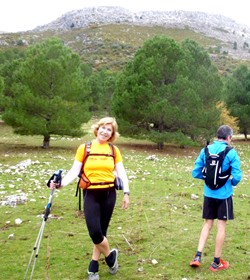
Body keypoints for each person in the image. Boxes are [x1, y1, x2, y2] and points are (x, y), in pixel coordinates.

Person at [50, 117, 130, 280]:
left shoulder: (114, 150)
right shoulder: (84, 148)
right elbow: (74, 171)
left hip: (109, 193)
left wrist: (126, 193)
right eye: (103, 128)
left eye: (109, 130)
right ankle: (110, 256)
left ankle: (93, 265)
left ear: (112, 134)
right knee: (95, 232)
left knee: (102, 231)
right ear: (97, 128)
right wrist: (61, 184)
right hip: (91, 194)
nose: (105, 132)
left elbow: (122, 173)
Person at [190, 125, 242, 272]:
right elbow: (237, 176)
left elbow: (196, 172)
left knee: (207, 224)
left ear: (217, 136)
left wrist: (207, 179)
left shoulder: (205, 150)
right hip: (224, 195)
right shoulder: (231, 153)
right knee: (221, 226)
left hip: (208, 194)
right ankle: (216, 262)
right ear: (229, 137)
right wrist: (229, 182)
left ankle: (197, 257)